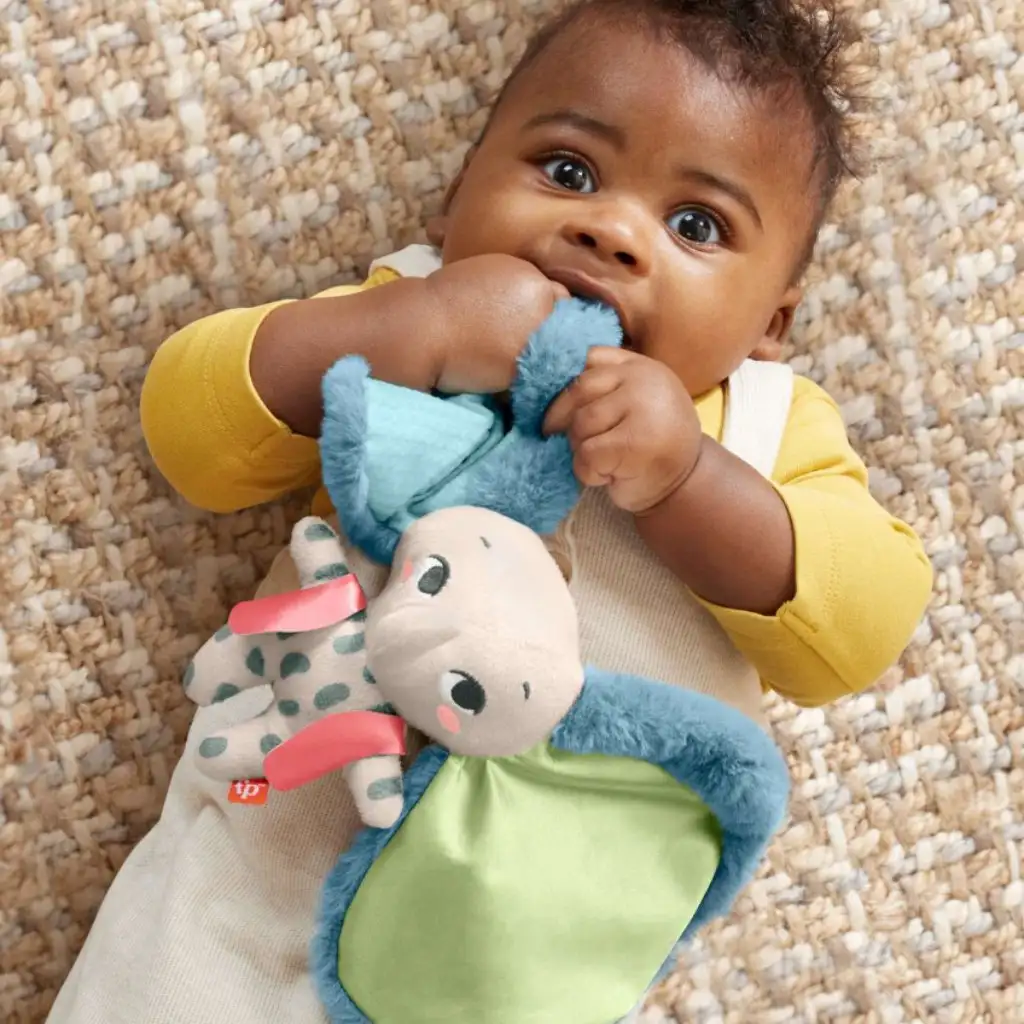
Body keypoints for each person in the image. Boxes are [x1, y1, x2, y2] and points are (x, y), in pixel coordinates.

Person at [48, 1, 933, 1022]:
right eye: (567, 170)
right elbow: (191, 435)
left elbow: (863, 629)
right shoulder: (410, 310)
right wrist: (410, 326)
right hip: (257, 872)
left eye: (696, 226)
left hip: (512, 957)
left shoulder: (765, 425)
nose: (609, 229)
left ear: (771, 320)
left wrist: (690, 479)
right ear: (454, 197)